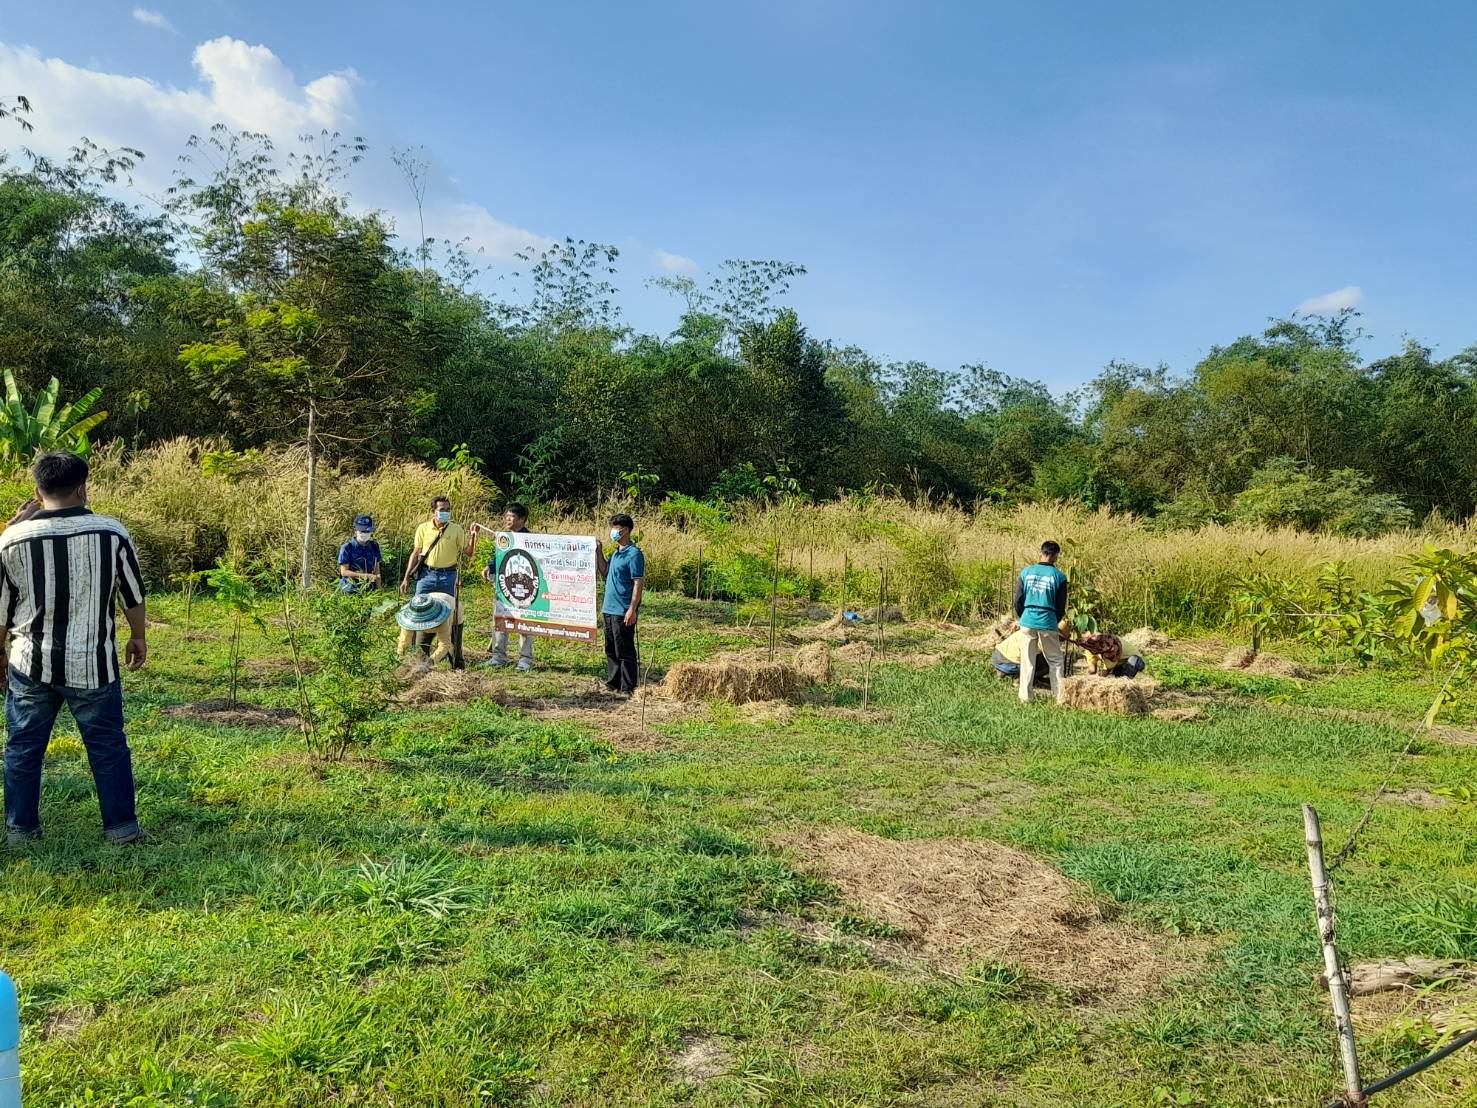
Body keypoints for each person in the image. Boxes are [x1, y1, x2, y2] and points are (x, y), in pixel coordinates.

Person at [1, 451, 147, 845]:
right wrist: (138, 636)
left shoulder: (12, 539)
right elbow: (131, 593)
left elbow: (0, 609)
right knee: (108, 747)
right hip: (94, 662)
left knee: (23, 748)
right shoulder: (111, 532)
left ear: (38, 490)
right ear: (83, 487)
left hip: (30, 662)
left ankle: (21, 830)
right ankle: (121, 829)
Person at [595, 513, 644, 696]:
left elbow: (638, 582)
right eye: (612, 527)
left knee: (624, 648)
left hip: (622, 609)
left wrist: (632, 608)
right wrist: (598, 551)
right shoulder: (616, 553)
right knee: (611, 648)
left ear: (626, 530)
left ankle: (628, 686)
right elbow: (605, 571)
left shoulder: (634, 554)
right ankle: (613, 682)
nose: (613, 531)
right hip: (608, 608)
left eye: (617, 528)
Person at [483, 502, 535, 672]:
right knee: (500, 618)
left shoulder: (531, 539)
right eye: (507, 516)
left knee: (524, 621)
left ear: (522, 519)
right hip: (505, 584)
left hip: (525, 587)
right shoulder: (504, 537)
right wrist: (489, 568)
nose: (508, 519)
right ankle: (499, 656)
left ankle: (525, 659)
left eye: (512, 516)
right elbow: (498, 557)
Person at [1014, 540, 1068, 703]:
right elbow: (1060, 606)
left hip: (1027, 620)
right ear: (1056, 556)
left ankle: (1025, 698)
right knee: (1055, 660)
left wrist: (1023, 617)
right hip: (1048, 621)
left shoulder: (1026, 572)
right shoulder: (1059, 576)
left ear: (1041, 552)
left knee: (1027, 659)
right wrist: (1054, 620)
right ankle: (1060, 698)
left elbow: (1018, 600)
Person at [394, 592, 464, 670]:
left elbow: (445, 644)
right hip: (434, 604)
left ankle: (459, 671)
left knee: (454, 650)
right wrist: (400, 657)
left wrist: (430, 662)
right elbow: (404, 640)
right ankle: (422, 674)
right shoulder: (409, 618)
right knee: (421, 648)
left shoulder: (444, 616)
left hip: (454, 615)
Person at [337, 514, 382, 592]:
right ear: (356, 530)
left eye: (367, 531)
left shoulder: (374, 546)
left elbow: (377, 571)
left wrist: (379, 590)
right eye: (362, 531)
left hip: (370, 590)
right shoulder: (347, 547)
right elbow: (344, 572)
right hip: (350, 589)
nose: (365, 533)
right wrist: (366, 576)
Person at [1079, 631, 1145, 679]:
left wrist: (1099, 680)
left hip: (1136, 661)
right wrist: (1086, 678)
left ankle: (1128, 682)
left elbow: (1106, 671)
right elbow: (1092, 669)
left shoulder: (1111, 646)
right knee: (1115, 676)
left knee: (1130, 666)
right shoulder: (1089, 649)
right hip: (1120, 664)